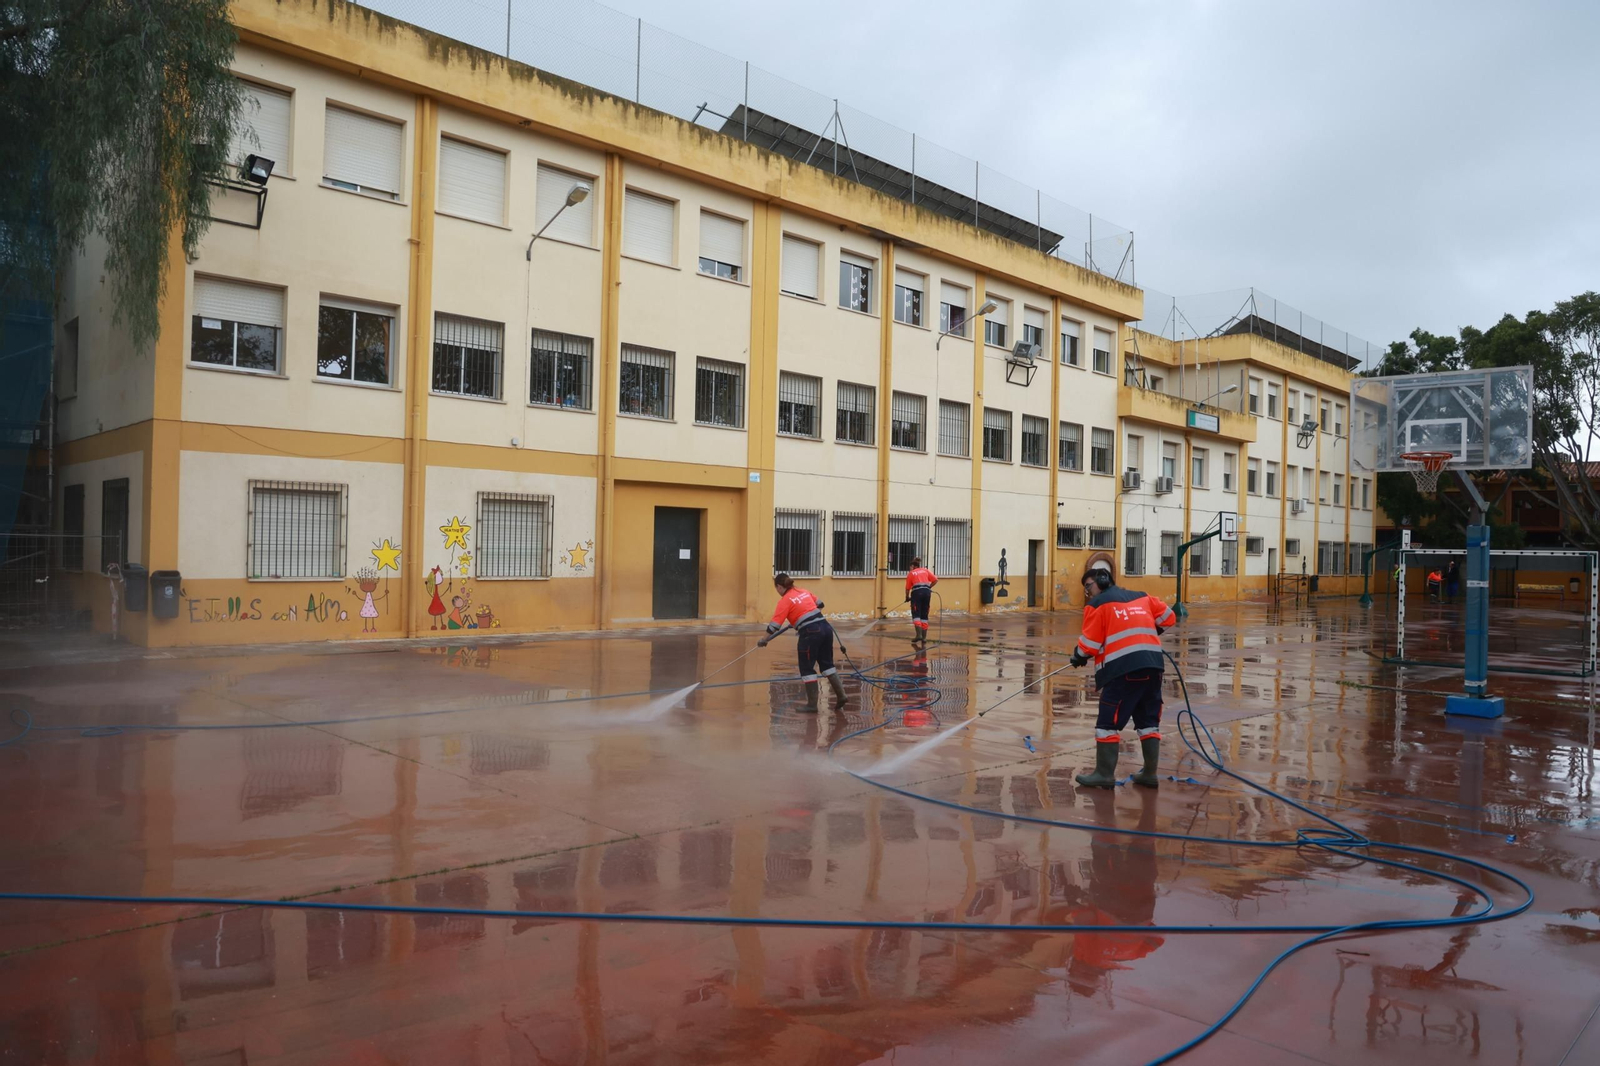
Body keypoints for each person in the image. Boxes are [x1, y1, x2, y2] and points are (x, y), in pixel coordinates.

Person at [1069, 568, 1176, 789]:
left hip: (1123, 671)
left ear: (1102, 581)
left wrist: (1077, 656)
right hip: (1153, 666)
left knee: (1108, 723)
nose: (1088, 592)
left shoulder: (1097, 605)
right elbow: (1169, 617)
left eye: (1088, 586)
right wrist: (1147, 631)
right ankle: (1149, 774)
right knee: (1148, 721)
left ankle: (1104, 774)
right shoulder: (1142, 597)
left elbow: (1089, 645)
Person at [759, 573, 847, 713]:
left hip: (811, 633)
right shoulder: (803, 591)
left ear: (779, 587)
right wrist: (803, 617)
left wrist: (764, 640)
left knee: (807, 668)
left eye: (777, 589)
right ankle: (841, 695)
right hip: (825, 628)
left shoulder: (785, 601)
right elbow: (820, 604)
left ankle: (812, 705)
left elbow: (774, 626)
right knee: (827, 664)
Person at [904, 556, 938, 644]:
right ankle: (924, 638)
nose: (910, 569)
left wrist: (907, 597)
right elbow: (935, 580)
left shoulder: (911, 573)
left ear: (913, 566)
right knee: (924, 614)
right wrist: (928, 587)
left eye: (910, 567)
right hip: (927, 593)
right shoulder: (925, 570)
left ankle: (918, 635)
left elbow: (907, 589)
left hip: (916, 594)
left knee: (916, 613)